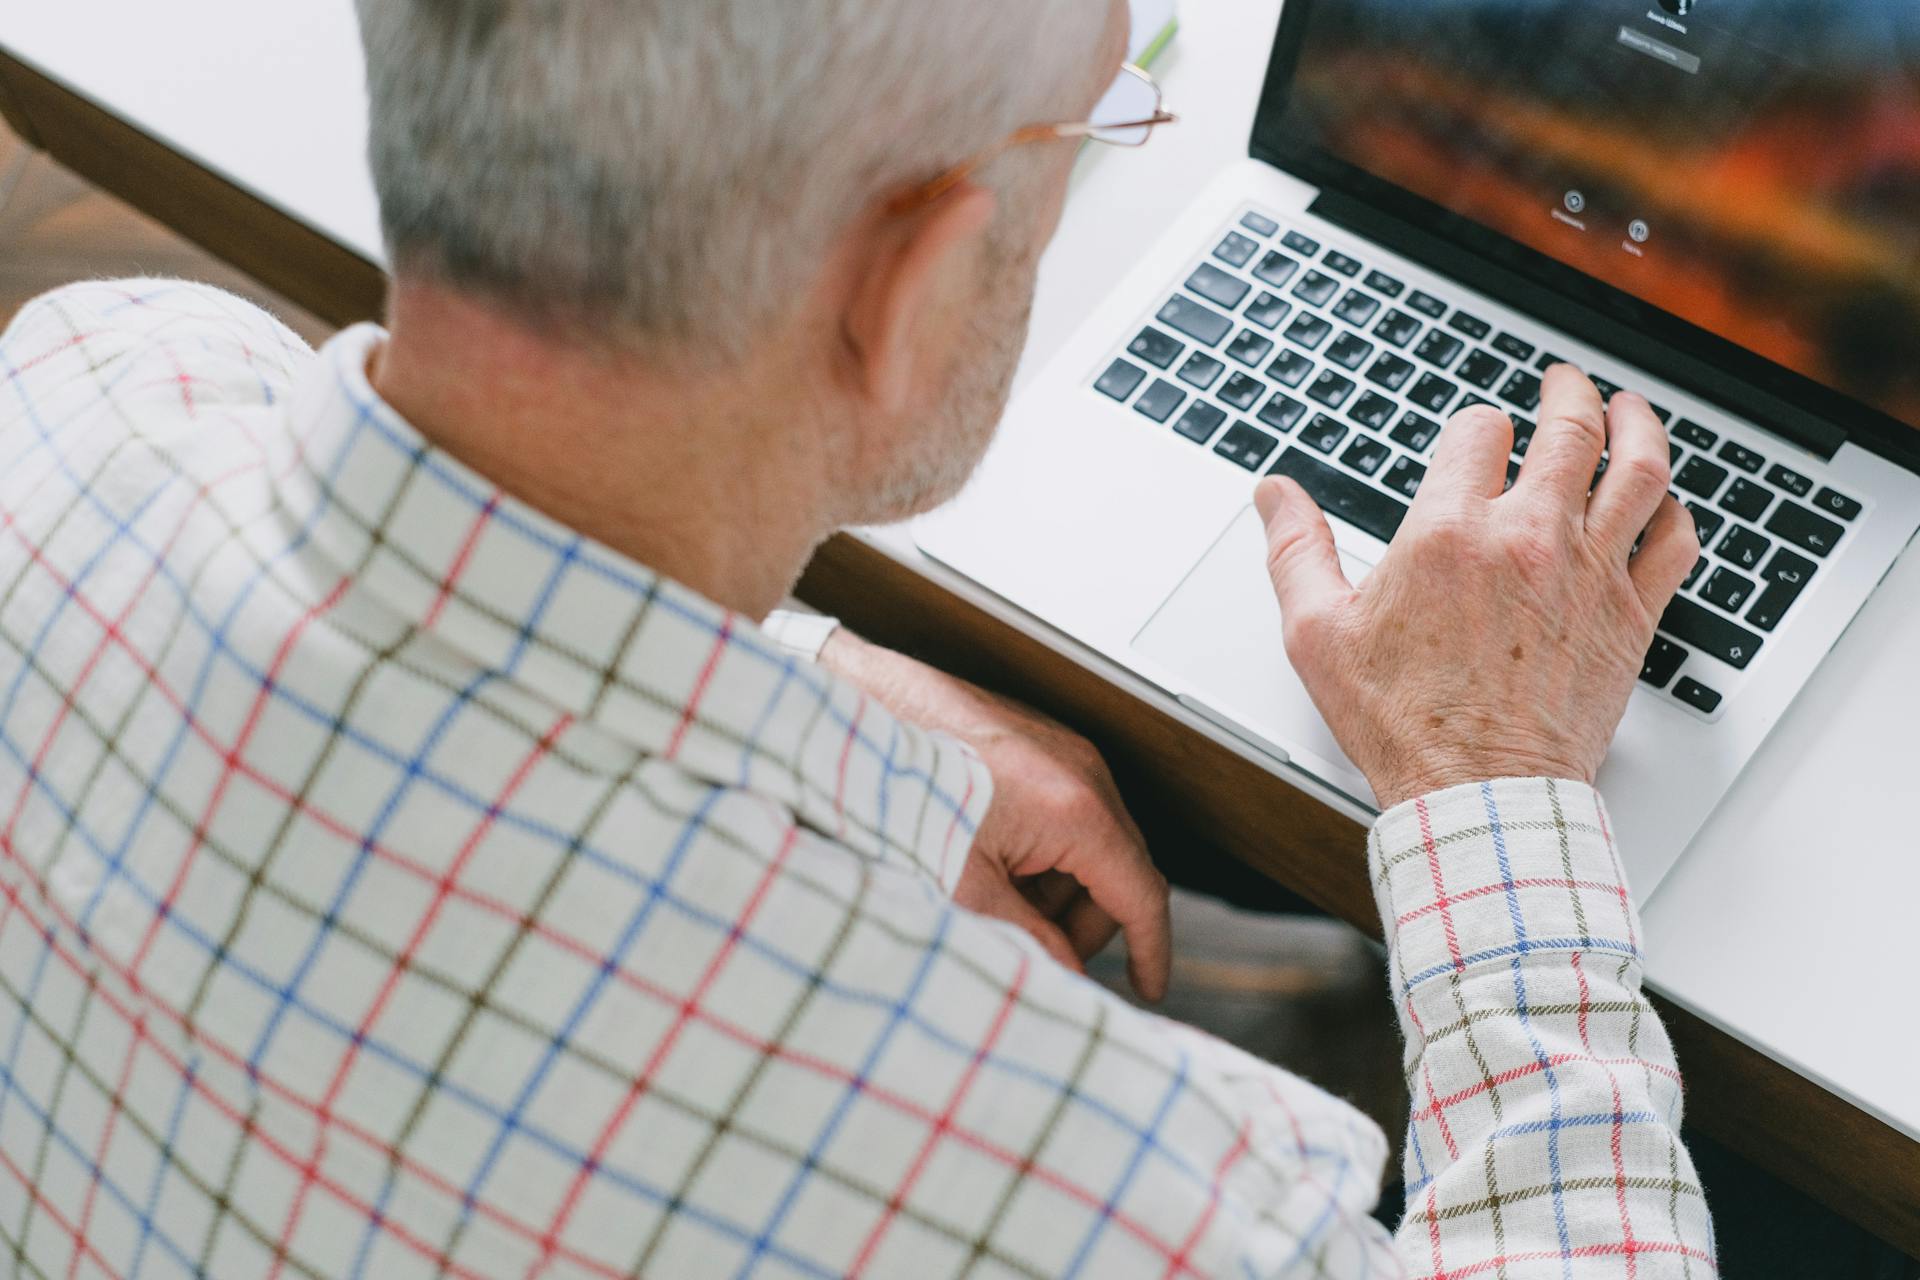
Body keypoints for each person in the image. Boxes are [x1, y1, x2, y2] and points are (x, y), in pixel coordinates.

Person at [0, 0, 1715, 1274]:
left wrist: (808, 680)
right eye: (1095, 120)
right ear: (901, 295)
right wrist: (1487, 773)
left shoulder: (92, 384)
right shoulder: (1098, 1191)